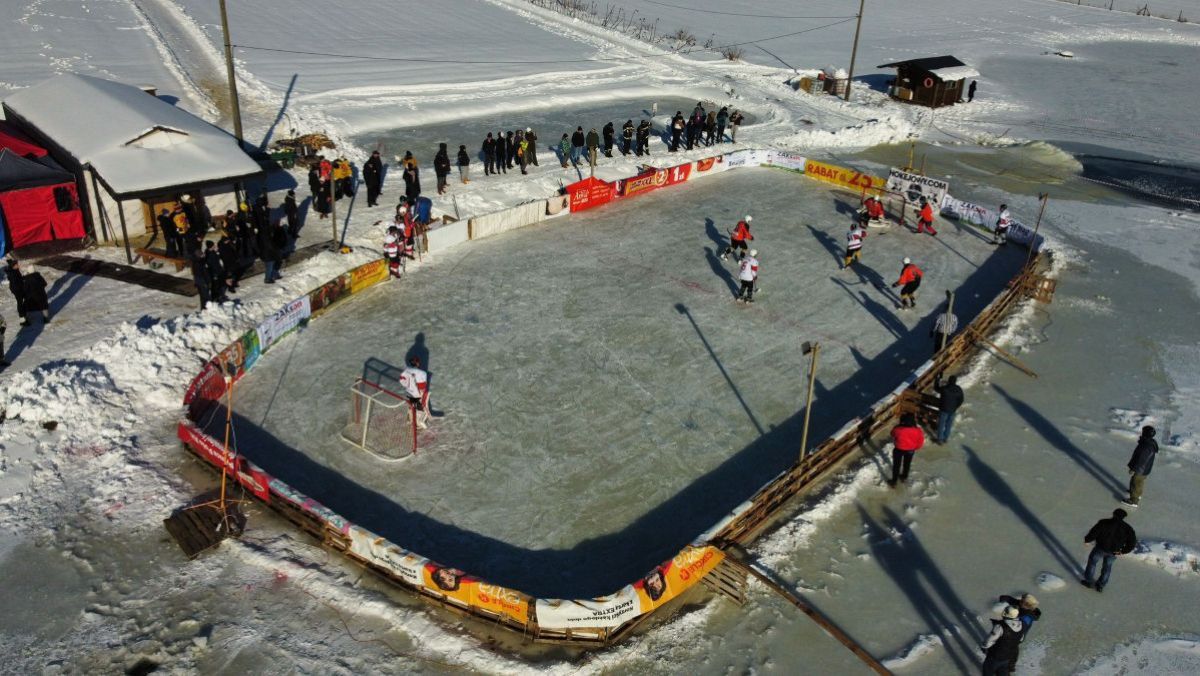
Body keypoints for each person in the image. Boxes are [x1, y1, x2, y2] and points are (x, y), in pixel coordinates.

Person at [1081, 508, 1138, 592]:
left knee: (1092, 562)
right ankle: (1100, 585)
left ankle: (1088, 581)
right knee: (1107, 567)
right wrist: (1123, 551)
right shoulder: (1128, 529)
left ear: (1114, 514)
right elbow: (1132, 542)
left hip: (1100, 548)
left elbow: (1094, 532)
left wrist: (1087, 540)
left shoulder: (1104, 522)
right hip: (1114, 552)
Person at [997, 593, 1041, 673]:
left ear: (1027, 605)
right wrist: (1003, 598)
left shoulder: (1027, 617)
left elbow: (1020, 629)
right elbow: (1010, 599)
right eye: (1021, 599)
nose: (1019, 601)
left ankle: (1010, 666)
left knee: (1012, 650)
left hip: (1017, 637)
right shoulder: (1021, 605)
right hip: (1010, 632)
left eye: (1022, 600)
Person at [980, 605, 1024, 676]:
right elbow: (1021, 639)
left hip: (995, 656)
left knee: (988, 671)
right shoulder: (1021, 625)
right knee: (1003, 672)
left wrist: (984, 647)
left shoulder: (1000, 626)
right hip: (1008, 656)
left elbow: (990, 640)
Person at [1124, 425, 1158, 506]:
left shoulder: (1147, 445)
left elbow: (1142, 460)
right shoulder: (1148, 442)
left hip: (1141, 469)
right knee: (1139, 482)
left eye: (1143, 432)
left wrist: (1134, 468)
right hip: (1144, 469)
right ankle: (1137, 493)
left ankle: (1134, 500)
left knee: (1135, 481)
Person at [889, 412, 924, 485]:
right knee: (907, 464)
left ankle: (894, 482)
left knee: (896, 465)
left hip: (898, 449)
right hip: (910, 450)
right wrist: (915, 447)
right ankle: (904, 477)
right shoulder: (918, 430)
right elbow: (920, 441)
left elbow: (892, 433)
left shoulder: (898, 429)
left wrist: (898, 426)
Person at [398, 356, 431, 429]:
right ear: (418, 363)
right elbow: (422, 386)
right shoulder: (422, 373)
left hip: (409, 392)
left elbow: (401, 381)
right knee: (421, 409)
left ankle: (409, 420)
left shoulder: (405, 371)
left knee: (411, 406)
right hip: (417, 394)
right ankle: (419, 424)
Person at [933, 374, 964, 443]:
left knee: (941, 424)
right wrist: (956, 406)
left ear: (949, 381)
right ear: (955, 381)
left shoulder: (945, 388)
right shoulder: (959, 389)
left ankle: (940, 439)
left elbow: (936, 388)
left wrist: (937, 379)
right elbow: (961, 400)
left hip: (943, 409)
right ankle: (946, 438)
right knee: (948, 425)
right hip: (952, 410)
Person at [258, 219, 284, 283]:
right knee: (269, 266)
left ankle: (275, 275)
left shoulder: (266, 234)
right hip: (268, 254)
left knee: (274, 264)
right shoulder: (265, 236)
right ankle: (267, 279)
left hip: (270, 253)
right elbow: (270, 246)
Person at [5, 257, 27, 323]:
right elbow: (16, 283)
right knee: (20, 302)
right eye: (16, 264)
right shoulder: (13, 273)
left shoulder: (15, 270)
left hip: (19, 288)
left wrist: (25, 277)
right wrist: (21, 288)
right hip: (17, 290)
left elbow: (19, 278)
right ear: (13, 266)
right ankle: (22, 318)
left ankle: (24, 313)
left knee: (24, 300)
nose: (18, 265)